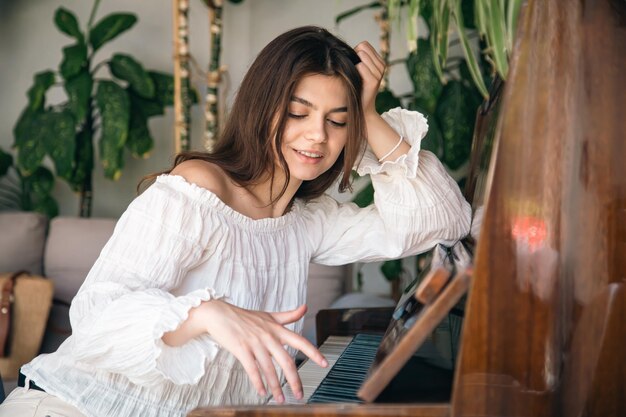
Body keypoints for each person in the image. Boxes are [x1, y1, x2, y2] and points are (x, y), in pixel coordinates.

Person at [0, 26, 471, 417]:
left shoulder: (306, 221)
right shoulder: (197, 191)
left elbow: (443, 222)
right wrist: (205, 313)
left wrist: (368, 113)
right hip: (79, 407)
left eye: (338, 120)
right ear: (262, 107)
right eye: (297, 114)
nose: (317, 136)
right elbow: (95, 315)